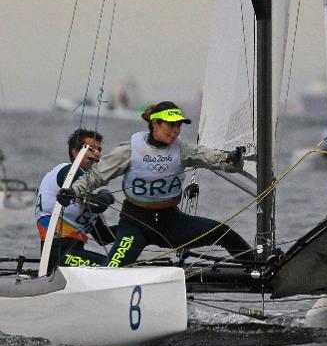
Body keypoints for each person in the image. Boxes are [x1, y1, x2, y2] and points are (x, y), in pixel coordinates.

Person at [58, 101, 253, 267]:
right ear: (155, 124)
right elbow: (96, 177)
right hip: (136, 223)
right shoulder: (131, 149)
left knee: (222, 232)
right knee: (114, 268)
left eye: (179, 126)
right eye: (171, 125)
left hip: (172, 222)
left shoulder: (182, 149)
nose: (176, 131)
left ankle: (255, 267)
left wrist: (233, 159)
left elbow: (216, 160)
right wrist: (72, 191)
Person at [35, 128, 116, 272]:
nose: (97, 153)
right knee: (112, 265)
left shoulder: (85, 190)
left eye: (99, 149)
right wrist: (105, 194)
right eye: (91, 149)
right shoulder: (68, 171)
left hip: (72, 254)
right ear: (75, 152)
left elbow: (103, 237)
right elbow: (99, 202)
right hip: (57, 255)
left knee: (118, 261)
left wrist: (134, 228)